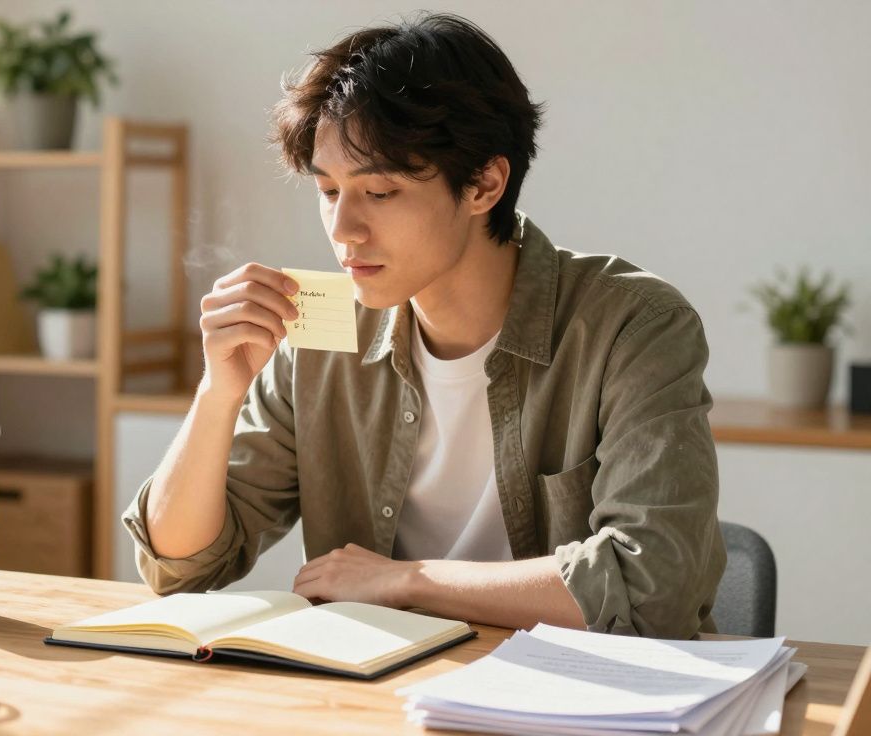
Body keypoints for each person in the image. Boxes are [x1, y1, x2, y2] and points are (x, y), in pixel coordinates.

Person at [121, 12, 725, 638]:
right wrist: (218, 394)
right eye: (329, 191)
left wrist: (405, 581)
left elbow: (653, 586)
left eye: (379, 193)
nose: (342, 230)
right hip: (378, 692)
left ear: (485, 184)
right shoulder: (320, 335)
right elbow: (179, 566)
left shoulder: (634, 326)